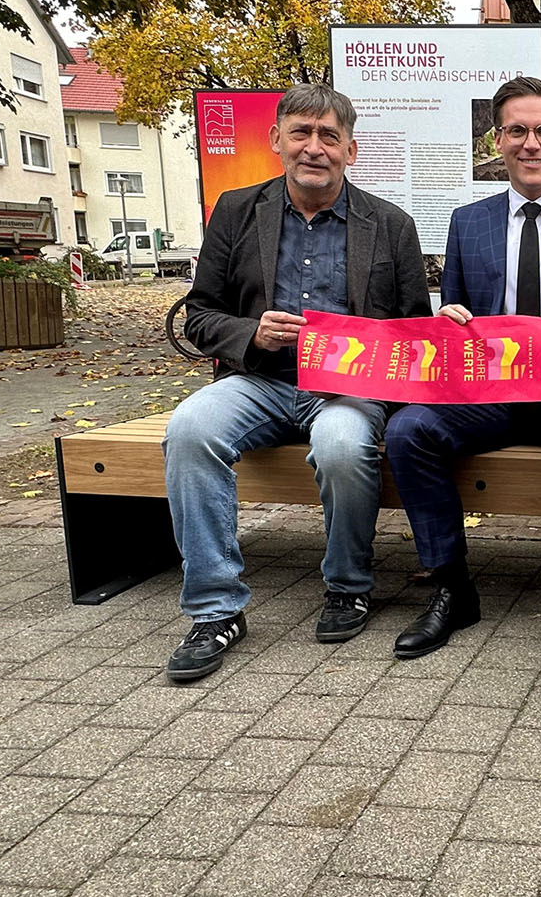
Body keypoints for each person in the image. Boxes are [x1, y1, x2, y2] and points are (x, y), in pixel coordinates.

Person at [162, 84, 432, 682]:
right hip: (258, 379)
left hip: (344, 391)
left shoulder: (391, 224)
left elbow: (413, 331)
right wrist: (252, 333)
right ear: (276, 140)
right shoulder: (237, 211)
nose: (315, 147)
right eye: (301, 133)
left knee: (341, 446)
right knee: (189, 429)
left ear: (350, 150)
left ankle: (348, 586)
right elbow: (199, 316)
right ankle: (214, 610)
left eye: (329, 136)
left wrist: (373, 354)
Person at [385, 77, 541, 669]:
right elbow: (453, 320)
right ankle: (452, 588)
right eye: (517, 130)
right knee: (407, 431)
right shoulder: (467, 222)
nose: (531, 143)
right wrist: (446, 323)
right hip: (486, 396)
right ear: (498, 141)